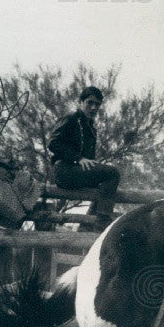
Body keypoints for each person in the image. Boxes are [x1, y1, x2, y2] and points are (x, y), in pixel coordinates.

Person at [48, 86, 120, 230]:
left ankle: (86, 226)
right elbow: (52, 143)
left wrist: (92, 165)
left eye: (97, 104)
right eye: (89, 102)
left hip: (75, 172)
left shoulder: (91, 128)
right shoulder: (71, 119)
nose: (93, 108)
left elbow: (88, 159)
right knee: (112, 173)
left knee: (105, 183)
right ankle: (102, 222)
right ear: (80, 102)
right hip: (64, 171)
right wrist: (77, 159)